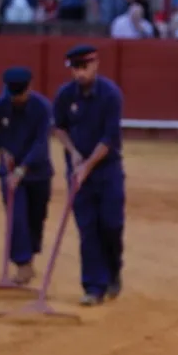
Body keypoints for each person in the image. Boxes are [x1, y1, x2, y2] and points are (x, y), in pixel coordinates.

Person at [52, 44, 125, 306]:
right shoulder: (65, 95)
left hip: (107, 171)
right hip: (77, 172)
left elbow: (109, 138)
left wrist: (87, 165)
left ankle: (113, 270)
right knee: (87, 229)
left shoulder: (110, 95)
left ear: (95, 64)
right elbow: (59, 127)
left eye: (84, 67)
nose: (80, 73)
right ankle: (93, 287)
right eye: (75, 69)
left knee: (111, 226)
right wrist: (72, 152)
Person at [0, 67, 54, 285]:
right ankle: (23, 264)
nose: (16, 99)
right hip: (9, 171)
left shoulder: (42, 107)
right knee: (17, 216)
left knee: (36, 217)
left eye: (20, 94)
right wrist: (1, 150)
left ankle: (29, 257)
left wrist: (24, 169)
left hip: (37, 172)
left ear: (29, 88)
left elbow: (41, 143)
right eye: (12, 95)